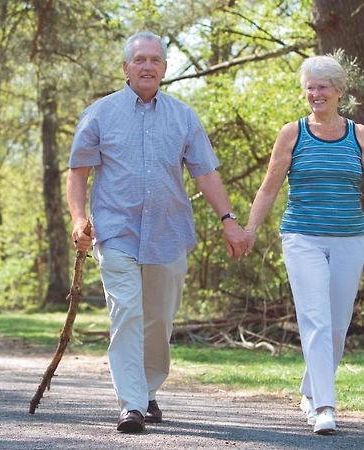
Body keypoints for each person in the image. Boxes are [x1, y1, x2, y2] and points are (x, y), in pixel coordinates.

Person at [66, 31, 248, 433]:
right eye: (140, 60)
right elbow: (77, 172)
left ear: (164, 68)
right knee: (127, 313)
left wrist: (229, 220)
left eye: (155, 60)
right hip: (116, 231)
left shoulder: (183, 116)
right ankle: (130, 403)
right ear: (125, 68)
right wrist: (79, 219)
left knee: (159, 321)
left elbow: (206, 172)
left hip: (168, 232)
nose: (147, 66)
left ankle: (148, 391)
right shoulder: (100, 113)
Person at [244, 55, 364, 435]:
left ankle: (311, 392)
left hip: (349, 237)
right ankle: (325, 407)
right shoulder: (292, 134)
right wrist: (248, 230)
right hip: (302, 236)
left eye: (322, 86)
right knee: (315, 317)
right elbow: (269, 188)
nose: (315, 94)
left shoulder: (359, 135)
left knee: (337, 325)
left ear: (339, 91)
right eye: (310, 87)